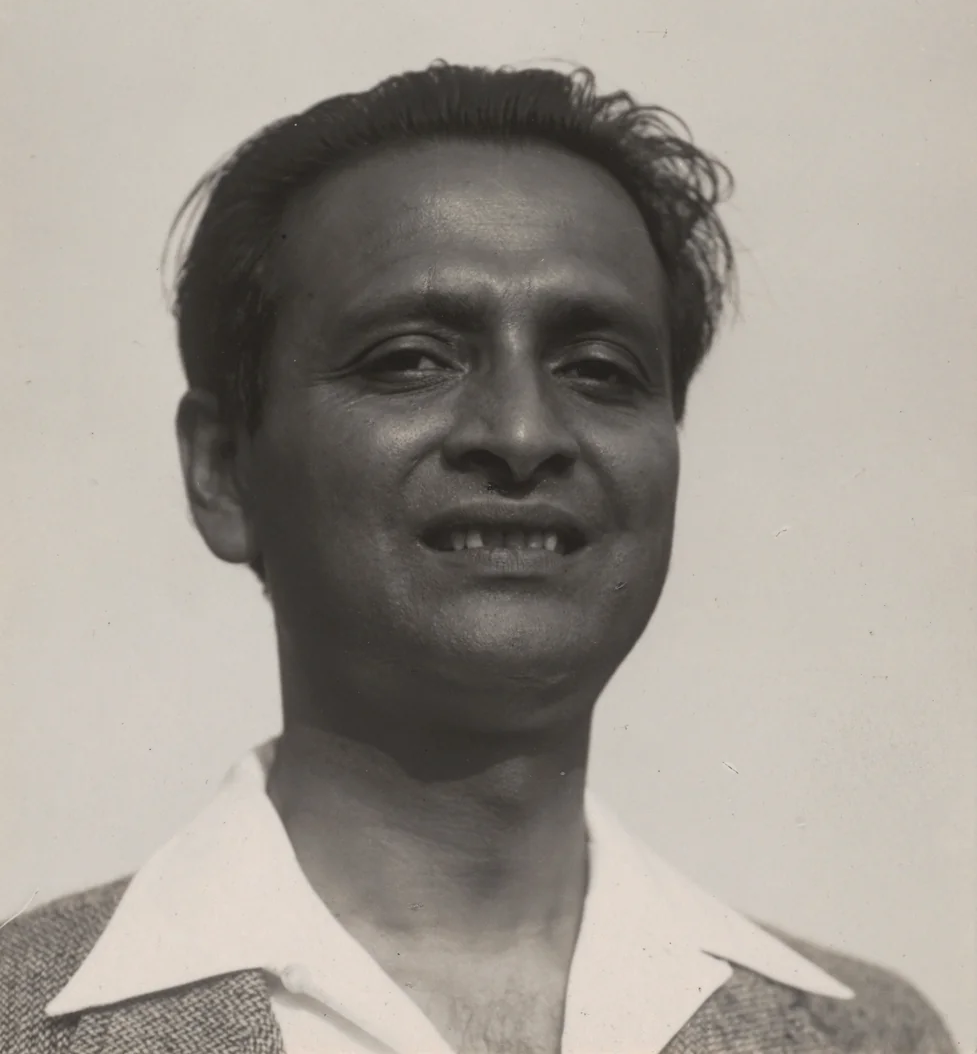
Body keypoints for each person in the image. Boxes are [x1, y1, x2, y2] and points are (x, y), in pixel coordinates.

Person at [1, 63, 955, 1054]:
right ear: (224, 474)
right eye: (410, 358)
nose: (520, 429)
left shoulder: (872, 1039)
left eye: (597, 369)